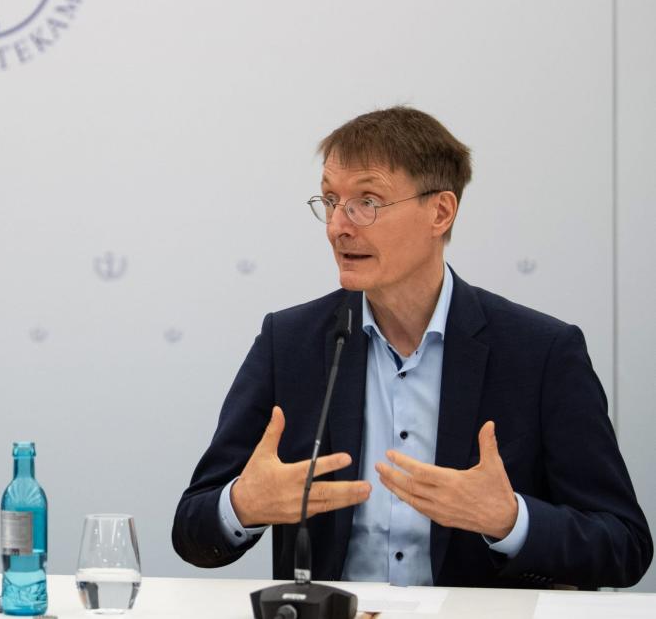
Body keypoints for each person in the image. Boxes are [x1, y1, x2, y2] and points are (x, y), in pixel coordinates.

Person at [172, 106, 651, 588]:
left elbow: (623, 545)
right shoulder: (290, 342)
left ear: (440, 212)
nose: (338, 226)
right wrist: (242, 507)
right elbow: (191, 530)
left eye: (367, 201)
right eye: (331, 200)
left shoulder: (541, 353)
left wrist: (510, 521)